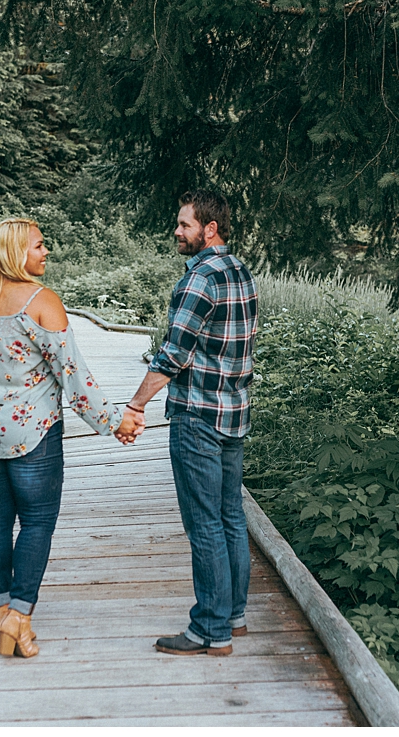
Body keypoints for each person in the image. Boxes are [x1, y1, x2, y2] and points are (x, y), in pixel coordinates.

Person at [0, 217, 131, 658]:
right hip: (32, 434)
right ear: (17, 253)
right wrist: (114, 422)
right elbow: (73, 376)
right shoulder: (41, 301)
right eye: (38, 246)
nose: (45, 252)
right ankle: (18, 615)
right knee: (36, 522)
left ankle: (0, 614)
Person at [117, 190, 258, 657]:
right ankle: (234, 615)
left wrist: (136, 405)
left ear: (208, 229)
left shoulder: (199, 279)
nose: (177, 232)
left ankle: (210, 630)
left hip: (198, 417)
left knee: (205, 526)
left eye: (184, 225)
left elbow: (174, 353)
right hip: (233, 414)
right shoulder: (242, 273)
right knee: (230, 517)